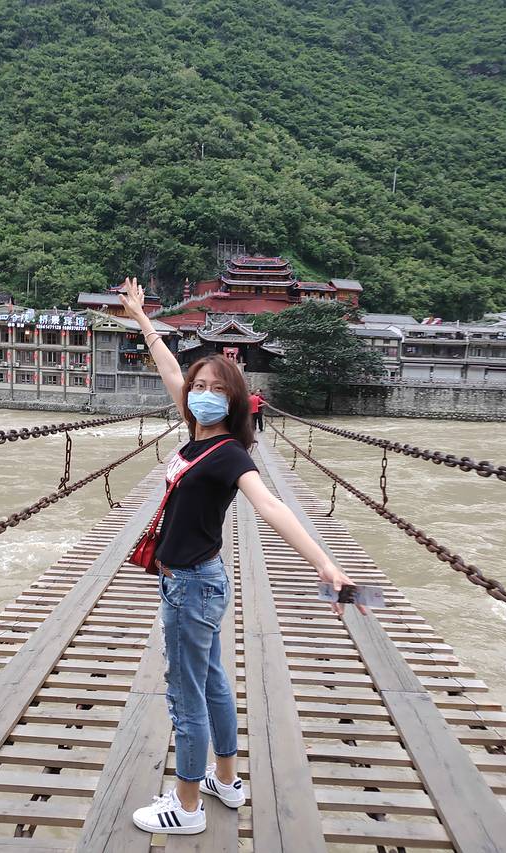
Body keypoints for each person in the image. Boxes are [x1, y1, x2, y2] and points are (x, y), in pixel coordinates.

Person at [120, 277, 361, 836]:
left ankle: (186, 808)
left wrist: (325, 564)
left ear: (233, 401)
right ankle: (225, 781)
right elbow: (171, 372)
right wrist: (143, 321)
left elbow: (271, 505)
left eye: (214, 388)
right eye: (198, 385)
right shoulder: (195, 433)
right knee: (211, 682)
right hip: (197, 580)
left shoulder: (228, 453)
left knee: (186, 696)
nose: (201, 392)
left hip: (191, 586)